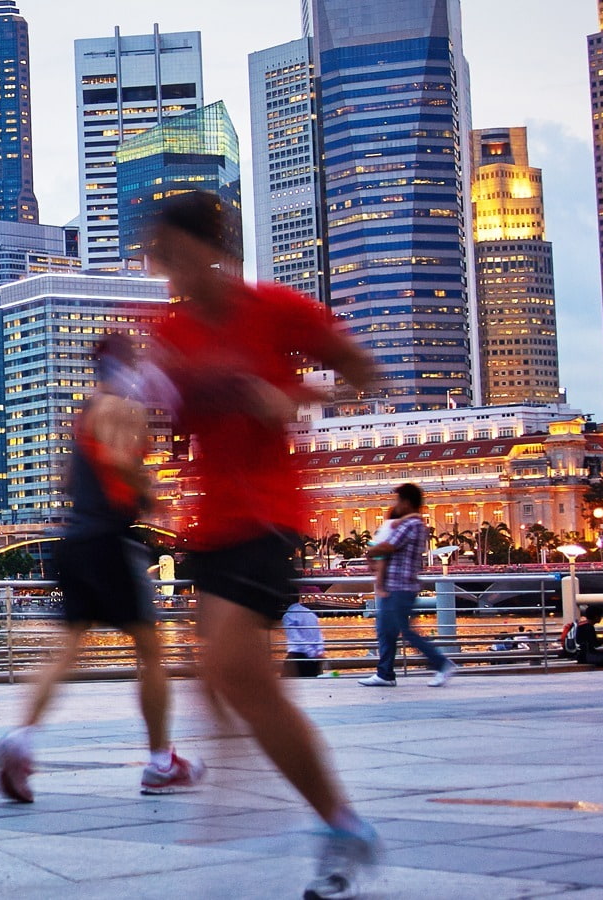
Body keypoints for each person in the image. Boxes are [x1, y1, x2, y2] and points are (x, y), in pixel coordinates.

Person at [143, 191, 381, 900]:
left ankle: (341, 826)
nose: (166, 270)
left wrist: (296, 395)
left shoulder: (278, 310)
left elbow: (363, 375)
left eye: (174, 254)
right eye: (159, 257)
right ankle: (297, 799)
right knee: (225, 677)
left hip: (268, 515)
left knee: (237, 673)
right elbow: (163, 411)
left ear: (212, 249)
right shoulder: (169, 329)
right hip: (206, 523)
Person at [0, 335, 205, 803]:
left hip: (75, 541)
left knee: (67, 649)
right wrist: (152, 498)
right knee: (150, 652)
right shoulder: (121, 410)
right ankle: (161, 763)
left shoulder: (84, 413)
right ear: (127, 365)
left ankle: (19, 741)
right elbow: (116, 460)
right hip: (111, 540)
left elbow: (68, 479)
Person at [357, 484, 459, 688]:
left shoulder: (411, 525)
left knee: (405, 630)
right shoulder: (412, 523)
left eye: (399, 501)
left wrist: (370, 551)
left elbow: (388, 546)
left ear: (406, 502)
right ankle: (385, 673)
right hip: (396, 585)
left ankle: (442, 663)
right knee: (385, 630)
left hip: (400, 586)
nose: (397, 505)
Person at [283, 601, 326, 678]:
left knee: (286, 684)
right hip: (315, 659)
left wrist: (311, 653)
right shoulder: (310, 613)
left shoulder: (288, 616)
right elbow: (318, 634)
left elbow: (296, 639)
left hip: (297, 656)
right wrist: (319, 651)